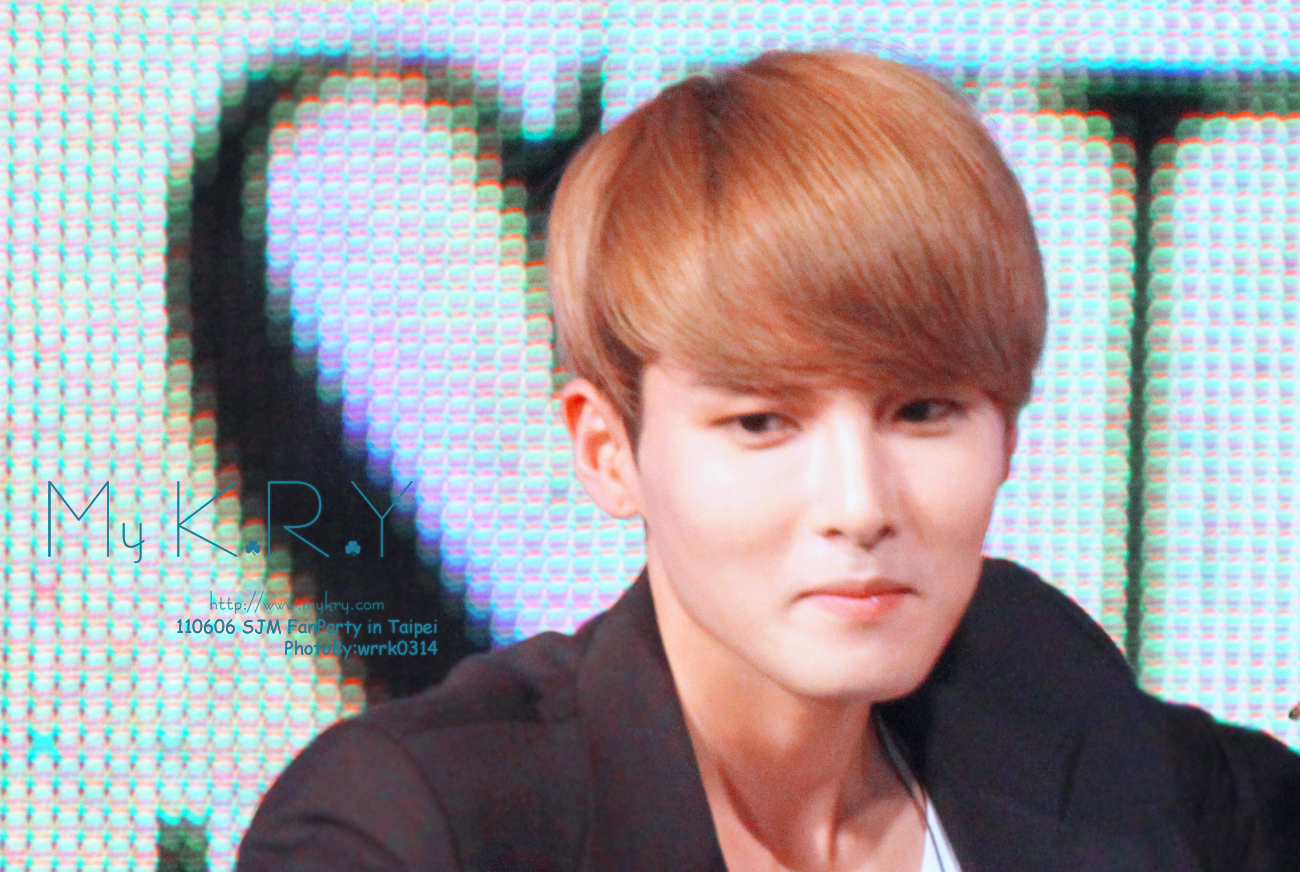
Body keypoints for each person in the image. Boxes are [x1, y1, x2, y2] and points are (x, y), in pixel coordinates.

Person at [235, 49, 1300, 871]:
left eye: (922, 411)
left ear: (1009, 431)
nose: (858, 504)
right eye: (761, 422)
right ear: (607, 449)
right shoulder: (420, 825)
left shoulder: (1041, 696)